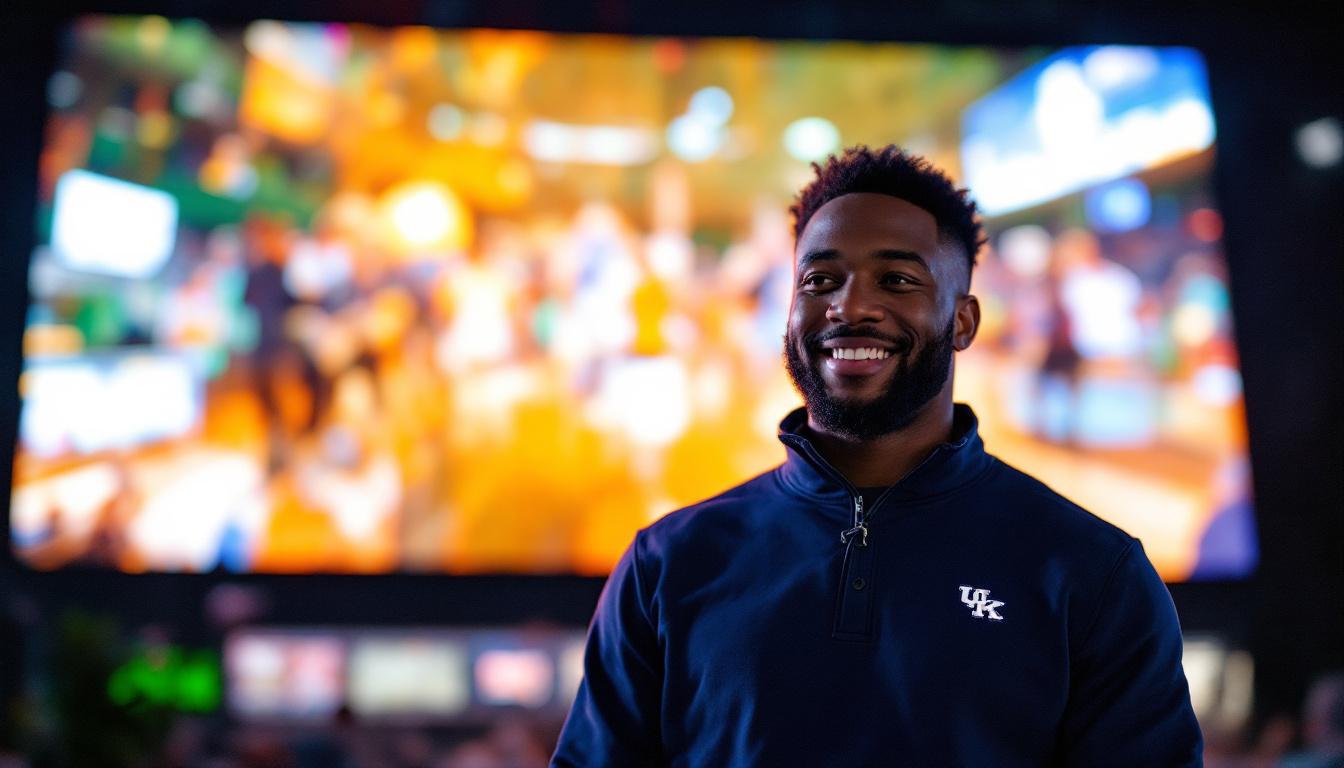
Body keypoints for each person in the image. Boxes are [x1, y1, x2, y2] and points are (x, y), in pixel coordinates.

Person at [551, 146, 1202, 766]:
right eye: (820, 280)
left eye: (895, 280)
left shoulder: (1094, 576)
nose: (851, 306)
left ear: (964, 321)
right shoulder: (666, 566)